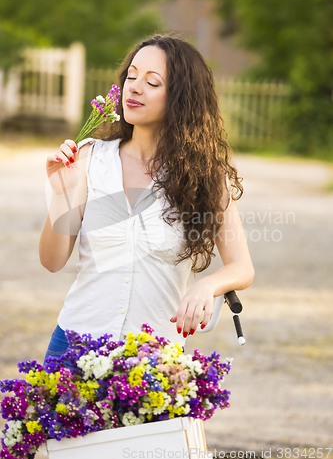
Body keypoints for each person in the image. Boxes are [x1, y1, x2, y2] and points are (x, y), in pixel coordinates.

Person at [39, 33, 254, 364]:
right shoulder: (89, 159)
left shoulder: (207, 178)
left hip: (154, 361)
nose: (134, 87)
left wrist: (206, 285)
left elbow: (242, 266)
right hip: (75, 349)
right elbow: (52, 262)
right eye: (131, 76)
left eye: (152, 82)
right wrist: (61, 196)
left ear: (182, 98)